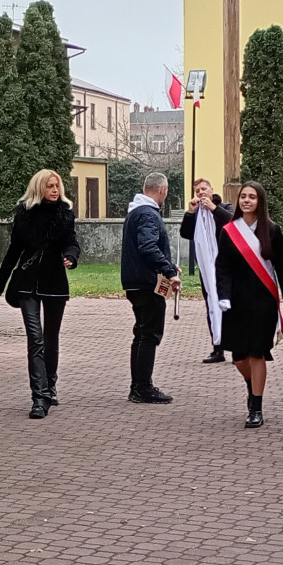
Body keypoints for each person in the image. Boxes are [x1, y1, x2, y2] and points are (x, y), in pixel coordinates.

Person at [0, 170, 80, 418]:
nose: (54, 190)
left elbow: (71, 242)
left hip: (54, 282)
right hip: (27, 283)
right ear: (39, 188)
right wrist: (0, 282)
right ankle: (39, 398)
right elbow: (14, 250)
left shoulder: (64, 213)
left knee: (51, 339)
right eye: (49, 186)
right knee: (36, 339)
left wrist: (71, 257)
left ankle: (50, 386)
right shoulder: (24, 214)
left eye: (57, 186)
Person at [215, 181, 283, 428]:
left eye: (252, 197)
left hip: (263, 302)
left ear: (260, 201)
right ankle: (253, 388)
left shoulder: (272, 230)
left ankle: (256, 407)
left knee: (257, 353)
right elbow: (223, 267)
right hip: (236, 302)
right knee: (239, 358)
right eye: (243, 196)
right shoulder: (229, 230)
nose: (247, 200)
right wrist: (223, 294)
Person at [120, 172, 181, 404]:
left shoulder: (136, 211)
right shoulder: (148, 214)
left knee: (142, 333)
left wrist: (168, 265)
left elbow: (144, 248)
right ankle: (142, 387)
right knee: (150, 334)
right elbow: (147, 246)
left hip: (135, 280)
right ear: (163, 190)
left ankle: (138, 385)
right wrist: (169, 272)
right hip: (147, 283)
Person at [180, 177, 233, 363]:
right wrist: (189, 213)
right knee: (211, 303)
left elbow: (233, 223)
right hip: (207, 266)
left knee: (230, 305)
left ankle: (236, 347)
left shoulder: (225, 208)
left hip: (227, 266)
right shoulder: (197, 213)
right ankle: (217, 347)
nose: (201, 193)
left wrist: (213, 208)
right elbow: (185, 233)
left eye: (204, 189)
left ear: (212, 189)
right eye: (197, 191)